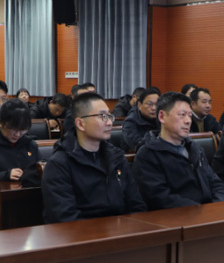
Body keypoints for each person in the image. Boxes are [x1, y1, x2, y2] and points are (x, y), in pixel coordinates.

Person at [42, 92, 146, 223]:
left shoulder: (116, 157)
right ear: (80, 124)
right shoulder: (59, 164)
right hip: (82, 233)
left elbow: (136, 205)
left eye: (109, 116)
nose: (109, 123)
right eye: (102, 116)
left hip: (122, 230)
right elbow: (64, 217)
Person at [132, 91, 224, 209]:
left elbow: (215, 183)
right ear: (162, 116)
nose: (188, 121)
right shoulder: (148, 154)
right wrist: (201, 211)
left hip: (208, 212)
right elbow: (159, 197)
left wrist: (218, 205)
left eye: (190, 116)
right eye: (182, 115)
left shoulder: (194, 148)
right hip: (177, 215)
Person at [121, 86, 160, 151]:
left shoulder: (162, 119)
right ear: (139, 105)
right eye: (149, 104)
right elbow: (138, 145)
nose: (154, 108)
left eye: (157, 104)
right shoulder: (130, 122)